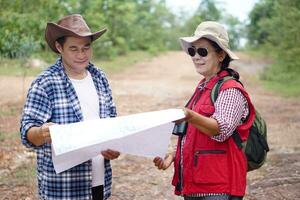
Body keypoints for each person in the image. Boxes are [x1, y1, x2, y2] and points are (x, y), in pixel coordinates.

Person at [20, 14, 120, 200]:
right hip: (63, 187)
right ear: (59, 47)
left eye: (86, 47)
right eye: (73, 49)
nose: (81, 55)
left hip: (99, 181)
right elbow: (27, 134)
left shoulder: (100, 78)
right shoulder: (45, 83)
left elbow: (112, 122)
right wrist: (41, 132)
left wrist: (113, 146)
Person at [153, 21, 256, 200]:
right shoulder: (203, 86)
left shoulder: (231, 90)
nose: (195, 56)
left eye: (202, 51)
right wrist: (175, 156)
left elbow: (221, 131)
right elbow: (195, 134)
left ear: (221, 55)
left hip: (219, 187)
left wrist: (190, 115)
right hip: (198, 184)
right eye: (192, 51)